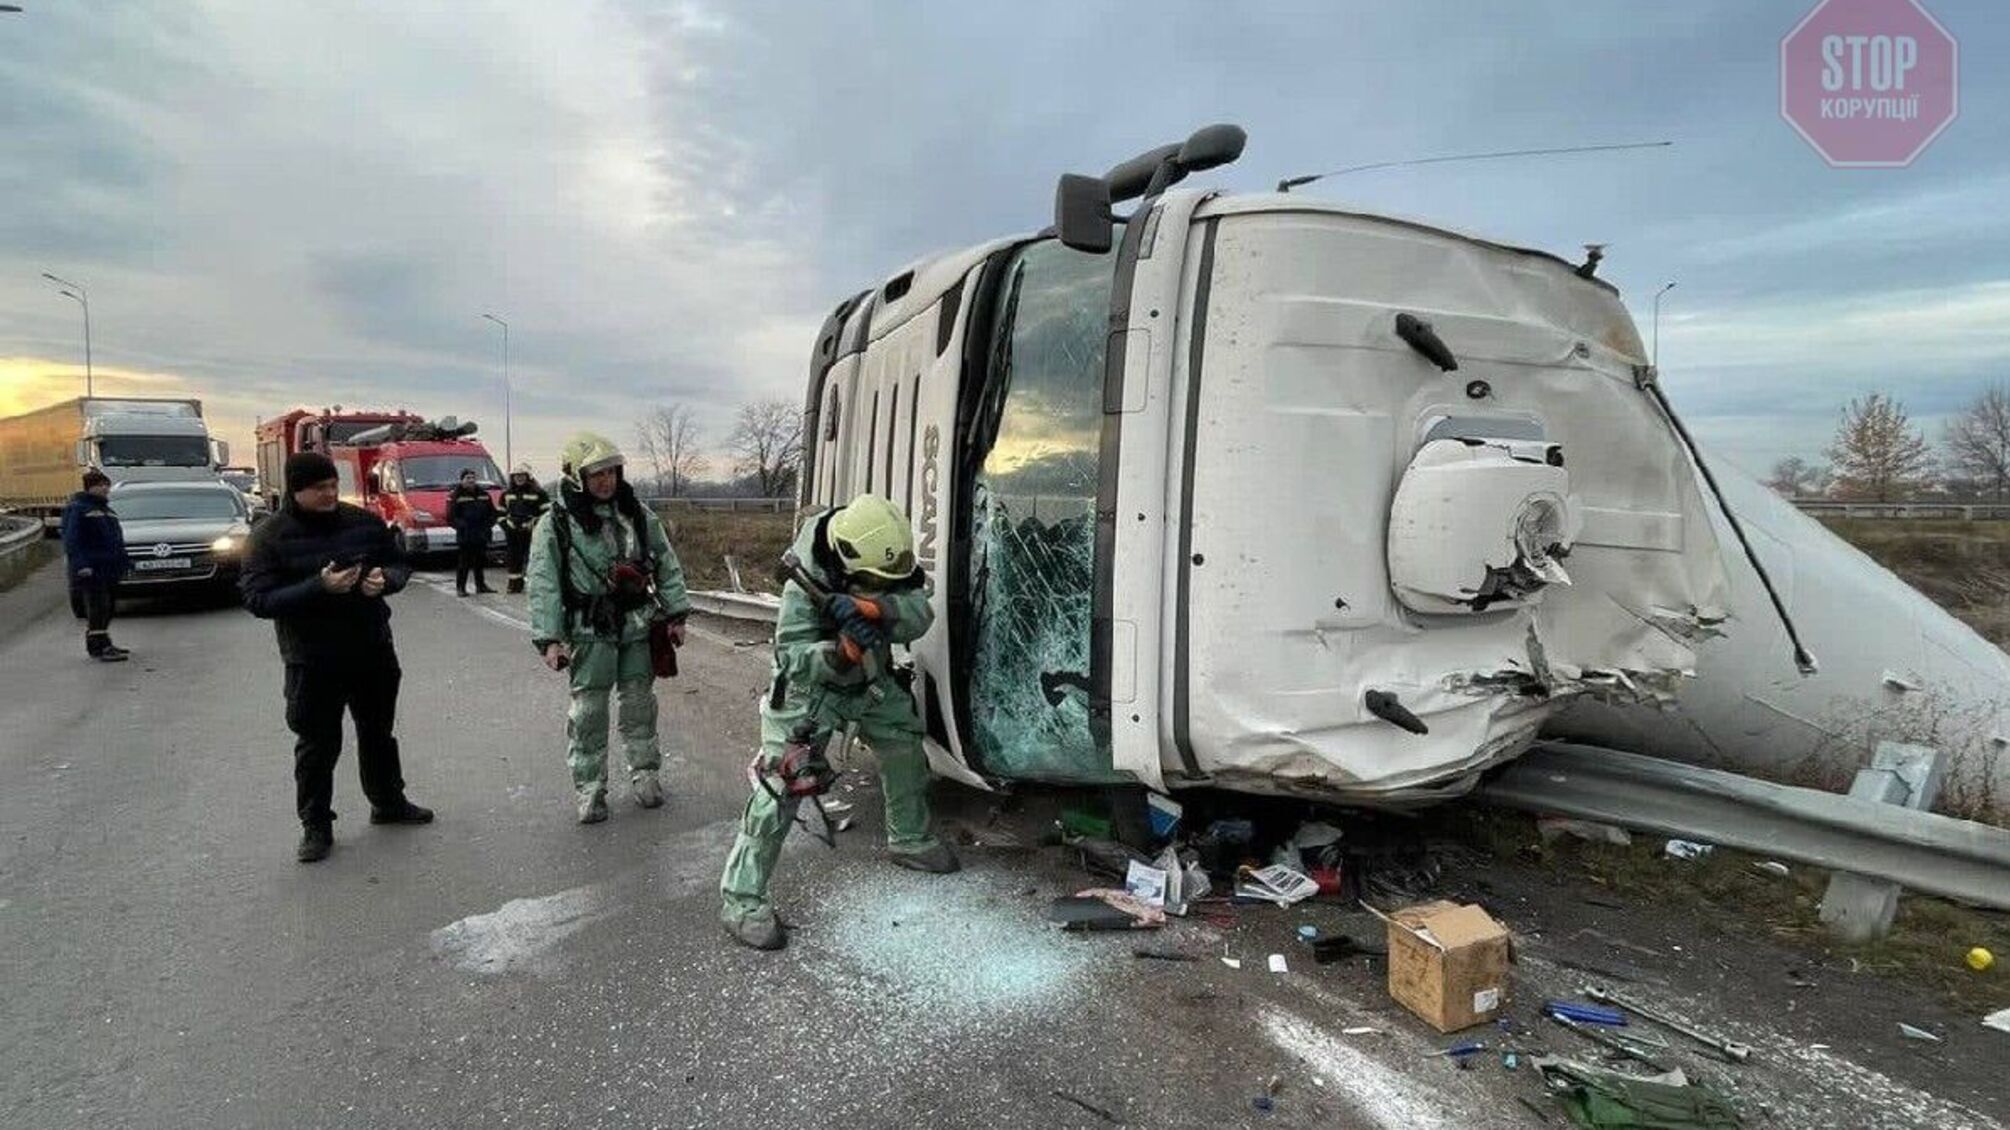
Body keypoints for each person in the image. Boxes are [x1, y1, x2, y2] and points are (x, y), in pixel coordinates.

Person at [718, 493, 957, 951]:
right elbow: (792, 657)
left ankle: (909, 838)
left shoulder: (883, 555)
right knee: (781, 786)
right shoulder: (802, 581)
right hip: (813, 691)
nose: (882, 586)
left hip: (869, 678)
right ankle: (741, 898)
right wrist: (839, 652)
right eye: (872, 585)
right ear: (847, 564)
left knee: (904, 740)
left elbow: (918, 611)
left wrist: (875, 612)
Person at [241, 451, 434, 863]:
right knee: (317, 744)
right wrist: (319, 587)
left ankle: (388, 802)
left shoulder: (362, 522)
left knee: (378, 732)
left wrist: (385, 581)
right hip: (312, 659)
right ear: (297, 490)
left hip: (371, 648)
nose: (330, 493)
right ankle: (316, 825)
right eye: (319, 488)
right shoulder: (269, 535)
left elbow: (398, 563)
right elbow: (258, 598)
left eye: (332, 485)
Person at [526, 433, 691, 824]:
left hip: (636, 625)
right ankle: (590, 789)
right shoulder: (556, 524)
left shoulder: (637, 513)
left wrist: (676, 614)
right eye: (596, 474)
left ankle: (646, 775)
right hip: (589, 629)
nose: (606, 481)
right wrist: (549, 639)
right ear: (575, 476)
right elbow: (544, 583)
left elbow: (666, 563)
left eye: (611, 472)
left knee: (639, 705)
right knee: (589, 714)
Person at [60, 469, 129, 662]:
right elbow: (72, 540)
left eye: (107, 484)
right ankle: (99, 646)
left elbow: (115, 540)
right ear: (91, 487)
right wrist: (81, 565)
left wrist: (123, 562)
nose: (106, 488)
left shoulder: (106, 510)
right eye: (102, 485)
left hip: (108, 567)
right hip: (92, 568)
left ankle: (102, 642)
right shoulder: (79, 508)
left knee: (108, 607)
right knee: (98, 607)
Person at [498, 463, 550, 594]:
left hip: (532, 531)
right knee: (513, 559)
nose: (519, 478)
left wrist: (534, 523)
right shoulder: (506, 494)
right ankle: (514, 585)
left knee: (534, 559)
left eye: (521, 476)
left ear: (528, 477)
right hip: (513, 532)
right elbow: (499, 514)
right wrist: (507, 526)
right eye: (516, 476)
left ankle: (535, 585)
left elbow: (547, 514)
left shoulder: (539, 493)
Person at [446, 468, 498, 596]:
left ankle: (481, 586)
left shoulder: (484, 494)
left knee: (480, 561)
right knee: (464, 562)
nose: (471, 480)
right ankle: (461, 588)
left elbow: (492, 512)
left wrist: (488, 525)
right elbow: (451, 517)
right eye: (468, 478)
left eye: (473, 478)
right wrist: (463, 526)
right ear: (462, 480)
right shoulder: (456, 495)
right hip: (466, 535)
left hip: (481, 534)